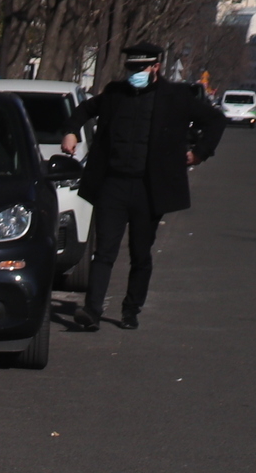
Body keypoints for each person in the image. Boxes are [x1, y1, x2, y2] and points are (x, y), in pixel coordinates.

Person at [64, 41, 224, 330]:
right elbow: (84, 110)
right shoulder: (115, 93)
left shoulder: (176, 96)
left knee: (140, 252)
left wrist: (199, 153)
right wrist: (71, 132)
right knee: (104, 251)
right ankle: (92, 311)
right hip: (112, 184)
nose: (135, 73)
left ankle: (130, 310)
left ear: (155, 67)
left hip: (149, 189)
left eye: (141, 68)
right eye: (131, 68)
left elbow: (215, 120)